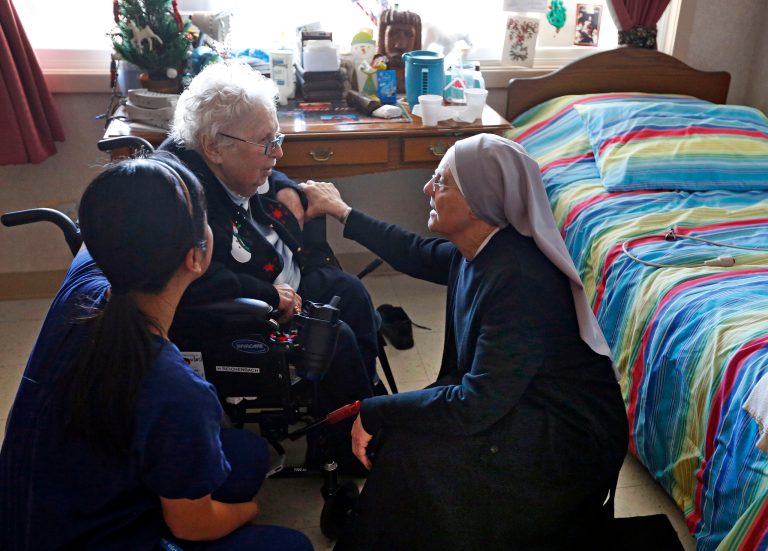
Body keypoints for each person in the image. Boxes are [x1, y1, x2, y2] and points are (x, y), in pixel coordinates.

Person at [300, 134, 629, 550]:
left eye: (441, 182)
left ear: (478, 198)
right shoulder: (478, 251)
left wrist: (375, 409)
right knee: (404, 437)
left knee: (410, 446)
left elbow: (475, 405)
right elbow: (413, 251)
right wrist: (342, 212)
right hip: (522, 403)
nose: (427, 188)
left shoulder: (519, 280)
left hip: (564, 439)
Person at [0, 154, 313, 550]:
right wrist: (248, 511)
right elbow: (192, 526)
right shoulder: (175, 389)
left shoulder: (86, 278)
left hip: (32, 515)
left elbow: (129, 200)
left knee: (247, 454)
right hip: (94, 538)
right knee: (290, 545)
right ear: (196, 257)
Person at [161, 61, 377, 473]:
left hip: (285, 284)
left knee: (351, 292)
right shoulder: (183, 200)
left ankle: (361, 409)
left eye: (276, 137)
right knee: (338, 339)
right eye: (266, 143)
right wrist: (267, 295)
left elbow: (269, 172)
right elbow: (195, 281)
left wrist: (286, 187)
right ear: (212, 147)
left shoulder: (226, 155)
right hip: (248, 314)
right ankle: (344, 450)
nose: (277, 152)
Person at [376, 8, 422, 92]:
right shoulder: (372, 75)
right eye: (393, 34)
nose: (400, 45)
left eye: (408, 35)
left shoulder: (422, 78)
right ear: (382, 38)